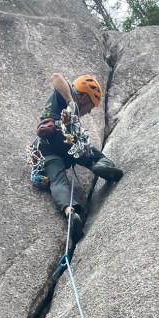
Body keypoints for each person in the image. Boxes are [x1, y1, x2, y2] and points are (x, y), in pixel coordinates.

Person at [33, 73, 123, 243]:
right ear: (83, 98)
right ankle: (99, 164)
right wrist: (70, 101)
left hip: (46, 149)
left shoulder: (68, 109)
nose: (89, 111)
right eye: (91, 105)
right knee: (92, 154)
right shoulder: (65, 96)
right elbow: (56, 77)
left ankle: (70, 212)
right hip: (63, 137)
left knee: (57, 181)